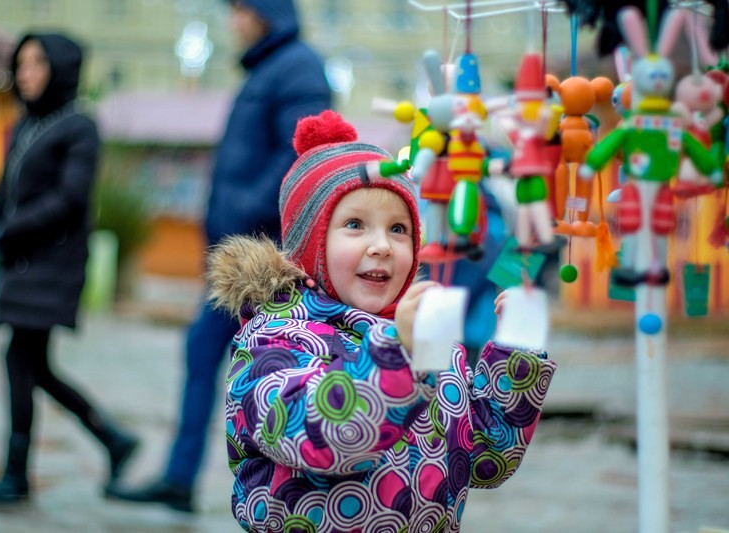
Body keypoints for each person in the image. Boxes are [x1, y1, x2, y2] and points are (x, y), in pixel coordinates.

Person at [206, 110, 557, 531]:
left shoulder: (426, 336)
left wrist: (516, 352)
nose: (382, 246)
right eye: (355, 225)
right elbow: (322, 437)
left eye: (398, 229)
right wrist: (395, 358)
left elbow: (484, 457)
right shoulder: (274, 341)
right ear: (311, 240)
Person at [104, 0, 331, 513]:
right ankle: (184, 479)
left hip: (265, 260)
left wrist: (246, 213)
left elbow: (302, 153)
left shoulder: (296, 67)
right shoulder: (269, 69)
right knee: (211, 355)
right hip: (242, 259)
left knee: (270, 370)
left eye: (240, 10)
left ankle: (276, 492)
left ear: (265, 13)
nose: (233, 21)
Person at [0, 33, 138, 504]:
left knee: (20, 359)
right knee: (32, 364)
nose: (25, 72)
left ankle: (16, 475)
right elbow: (5, 188)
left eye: (37, 62)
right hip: (21, 261)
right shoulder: (28, 123)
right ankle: (113, 439)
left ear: (60, 68)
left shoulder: (80, 124)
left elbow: (69, 199)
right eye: (20, 63)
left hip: (52, 264)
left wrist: (10, 230)